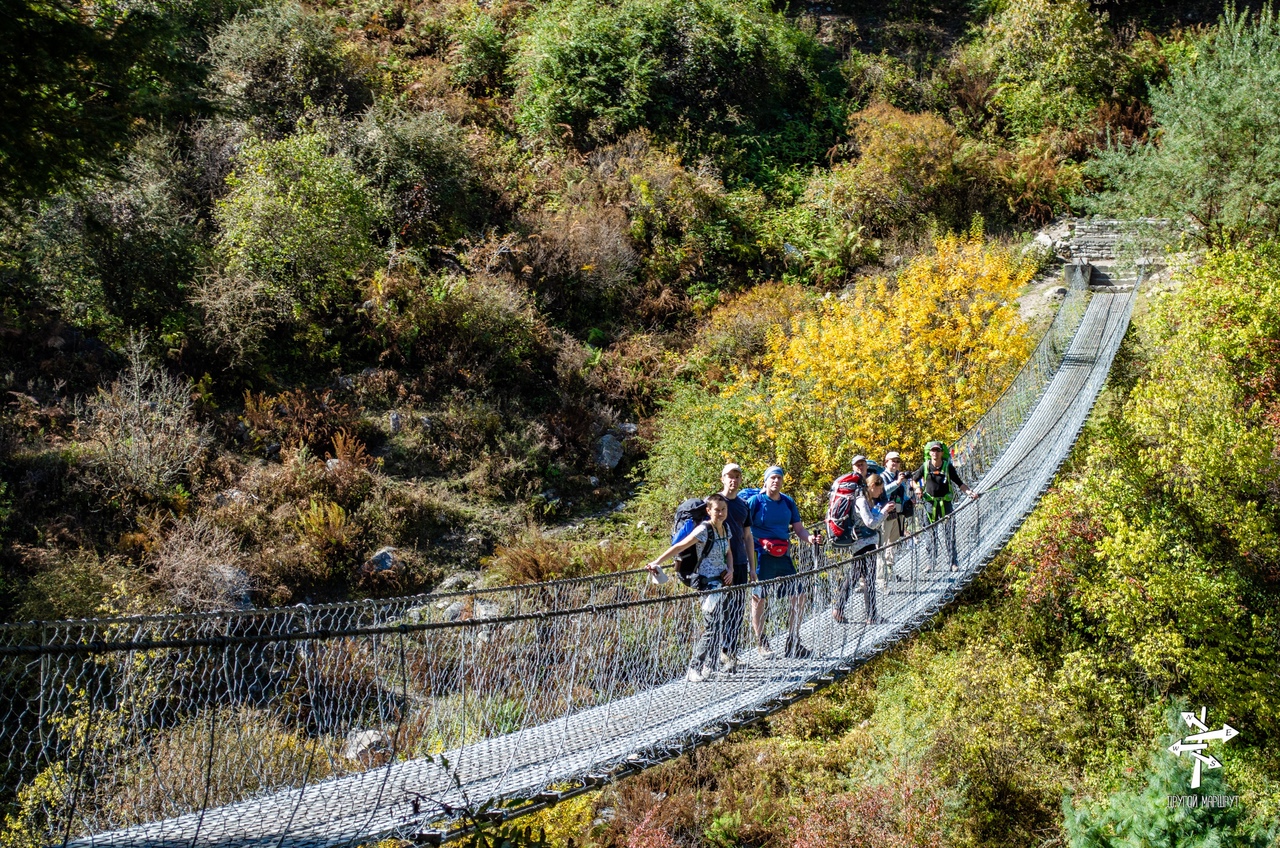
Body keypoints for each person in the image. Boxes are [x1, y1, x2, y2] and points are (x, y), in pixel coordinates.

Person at [647, 493, 734, 682]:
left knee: (719, 625)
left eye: (723, 509)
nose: (720, 513)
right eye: (717, 510)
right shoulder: (704, 529)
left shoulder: (725, 528)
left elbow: (728, 552)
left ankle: (710, 667)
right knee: (712, 627)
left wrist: (731, 569)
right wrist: (657, 561)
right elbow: (679, 546)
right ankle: (694, 667)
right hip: (707, 584)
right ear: (708, 511)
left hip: (721, 583)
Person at [748, 466, 820, 659]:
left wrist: (810, 539)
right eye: (772, 477)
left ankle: (793, 641)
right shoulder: (755, 502)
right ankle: (761, 642)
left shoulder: (788, 502)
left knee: (799, 594)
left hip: (783, 554)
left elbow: (799, 529)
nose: (776, 481)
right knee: (759, 598)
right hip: (760, 555)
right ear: (765, 480)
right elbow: (744, 530)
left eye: (779, 478)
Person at [832, 473, 895, 624]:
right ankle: (871, 616)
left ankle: (839, 609)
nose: (881, 492)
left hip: (861, 544)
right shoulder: (862, 500)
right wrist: (885, 511)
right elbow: (871, 523)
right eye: (879, 489)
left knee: (854, 577)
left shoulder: (865, 499)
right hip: (864, 543)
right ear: (872, 486)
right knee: (869, 579)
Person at [912, 441, 978, 571]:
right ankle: (931, 563)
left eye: (938, 450)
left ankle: (953, 563)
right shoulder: (925, 466)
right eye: (933, 450)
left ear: (942, 453)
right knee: (930, 535)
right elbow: (913, 480)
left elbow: (959, 483)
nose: (935, 453)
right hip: (930, 504)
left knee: (950, 533)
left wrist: (970, 492)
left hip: (945, 504)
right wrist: (917, 488)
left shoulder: (948, 467)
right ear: (929, 453)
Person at [717, 463, 753, 673]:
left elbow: (747, 536)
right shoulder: (713, 502)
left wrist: (752, 567)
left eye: (737, 476)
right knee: (720, 608)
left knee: (737, 609)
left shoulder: (743, 505)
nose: (733, 480)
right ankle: (719, 653)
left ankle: (730, 652)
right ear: (722, 478)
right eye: (730, 476)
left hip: (739, 562)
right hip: (717, 565)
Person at [877, 451, 915, 587]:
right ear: (886, 462)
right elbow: (881, 492)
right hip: (885, 516)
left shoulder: (899, 477)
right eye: (892, 460)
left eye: (898, 461)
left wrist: (909, 500)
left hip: (898, 515)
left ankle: (890, 571)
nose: (895, 463)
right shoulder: (881, 477)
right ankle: (881, 580)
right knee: (881, 547)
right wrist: (897, 483)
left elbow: (902, 494)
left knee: (892, 544)